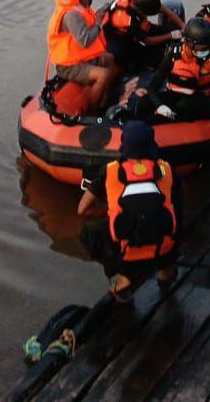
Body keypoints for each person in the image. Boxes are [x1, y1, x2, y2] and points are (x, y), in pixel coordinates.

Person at [77, 121, 178, 301]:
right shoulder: (167, 169)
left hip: (128, 252)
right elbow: (176, 204)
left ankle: (124, 277)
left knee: (89, 231)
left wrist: (110, 210)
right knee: (171, 215)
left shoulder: (110, 171)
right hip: (163, 247)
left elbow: (82, 209)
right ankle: (166, 273)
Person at [135, 19, 210, 154]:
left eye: (207, 47)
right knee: (144, 102)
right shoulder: (174, 55)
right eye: (201, 48)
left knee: (185, 105)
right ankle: (138, 128)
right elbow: (152, 87)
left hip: (202, 100)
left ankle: (161, 125)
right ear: (189, 43)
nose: (205, 51)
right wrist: (160, 105)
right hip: (177, 96)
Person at [46, 0, 120, 117]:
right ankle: (94, 112)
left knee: (110, 59)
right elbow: (85, 40)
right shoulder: (71, 14)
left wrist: (100, 14)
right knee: (103, 75)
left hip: (79, 59)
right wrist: (99, 22)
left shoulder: (79, 8)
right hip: (69, 66)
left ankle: (104, 98)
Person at [101, 0, 186, 72]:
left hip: (138, 25)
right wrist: (170, 35)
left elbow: (163, 9)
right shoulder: (129, 21)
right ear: (141, 11)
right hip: (119, 38)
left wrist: (182, 25)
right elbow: (148, 41)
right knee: (151, 60)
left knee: (170, 35)